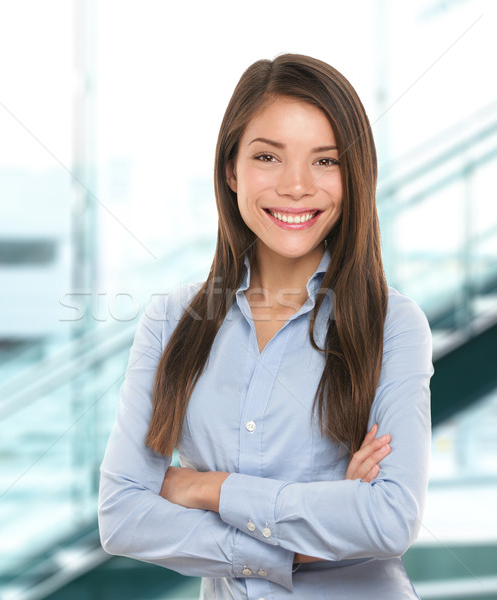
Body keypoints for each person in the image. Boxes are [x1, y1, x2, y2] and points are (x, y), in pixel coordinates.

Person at [98, 53, 433, 599]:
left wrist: (209, 489)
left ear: (354, 177)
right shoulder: (171, 322)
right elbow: (122, 516)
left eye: (325, 161)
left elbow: (390, 520)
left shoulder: (394, 324)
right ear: (231, 171)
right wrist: (317, 527)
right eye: (268, 157)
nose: (297, 186)